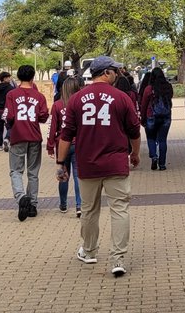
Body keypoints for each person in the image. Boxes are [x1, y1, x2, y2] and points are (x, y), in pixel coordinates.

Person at [57, 55, 141, 274]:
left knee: (89, 210)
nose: (117, 74)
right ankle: (118, 259)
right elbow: (134, 130)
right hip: (115, 163)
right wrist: (136, 154)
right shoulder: (122, 98)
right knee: (120, 210)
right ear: (106, 72)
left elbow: (66, 134)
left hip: (88, 164)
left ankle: (89, 251)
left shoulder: (76, 99)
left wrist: (60, 163)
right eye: (115, 70)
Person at [4, 64, 50, 220]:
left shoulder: (11, 94)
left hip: (18, 135)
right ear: (32, 77)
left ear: (18, 76)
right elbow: (44, 116)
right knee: (33, 172)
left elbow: (8, 116)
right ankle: (32, 204)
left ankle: (20, 196)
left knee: (16, 170)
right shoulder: (39, 96)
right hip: (35, 136)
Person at [47, 76, 82, 215]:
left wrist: (50, 146)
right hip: (78, 143)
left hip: (62, 144)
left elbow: (52, 127)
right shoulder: (81, 104)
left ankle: (63, 204)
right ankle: (80, 205)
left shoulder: (57, 105)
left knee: (63, 174)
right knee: (78, 176)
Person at [139, 66, 173, 170]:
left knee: (151, 138)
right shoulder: (168, 87)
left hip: (151, 116)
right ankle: (162, 164)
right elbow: (170, 99)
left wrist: (143, 118)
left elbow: (144, 104)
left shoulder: (149, 88)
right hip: (166, 116)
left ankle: (154, 157)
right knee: (163, 140)